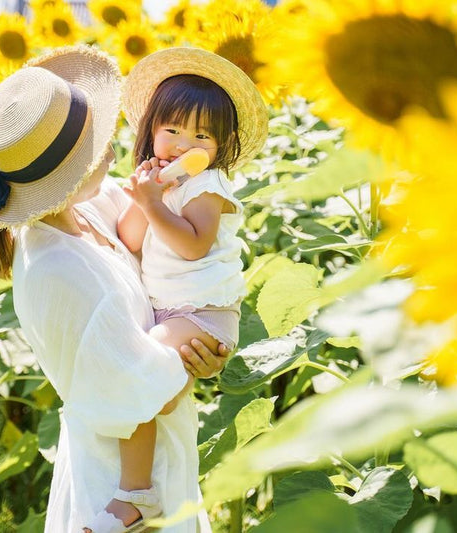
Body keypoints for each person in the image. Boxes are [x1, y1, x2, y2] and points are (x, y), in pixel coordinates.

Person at [0, 45, 228, 533]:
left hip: (156, 459)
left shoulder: (90, 209)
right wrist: (198, 354)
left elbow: (155, 237)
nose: (117, 149)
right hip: (118, 489)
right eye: (101, 146)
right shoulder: (58, 268)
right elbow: (146, 390)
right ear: (69, 174)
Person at [113, 47, 269, 532]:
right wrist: (145, 197)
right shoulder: (156, 183)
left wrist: (157, 204)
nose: (183, 145)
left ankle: (135, 497)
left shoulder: (209, 187)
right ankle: (137, 493)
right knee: (140, 391)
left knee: (141, 382)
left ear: (220, 146)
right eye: (173, 130)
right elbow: (130, 238)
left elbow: (193, 247)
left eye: (201, 135)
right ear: (151, 131)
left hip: (203, 313)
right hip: (170, 314)